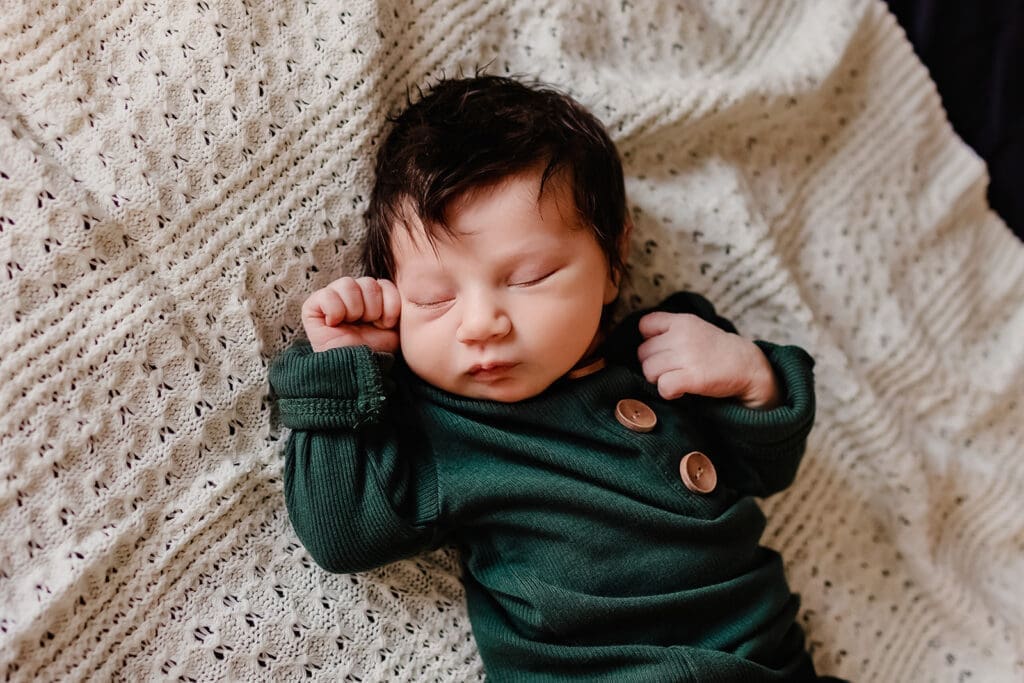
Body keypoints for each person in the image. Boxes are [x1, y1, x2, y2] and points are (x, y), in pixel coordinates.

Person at [269, 75, 840, 681]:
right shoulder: (441, 429)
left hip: (769, 659)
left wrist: (754, 380)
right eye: (434, 299)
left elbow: (766, 472)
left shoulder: (667, 350)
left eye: (530, 277)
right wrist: (345, 368)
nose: (481, 323)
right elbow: (343, 535)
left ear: (614, 261)